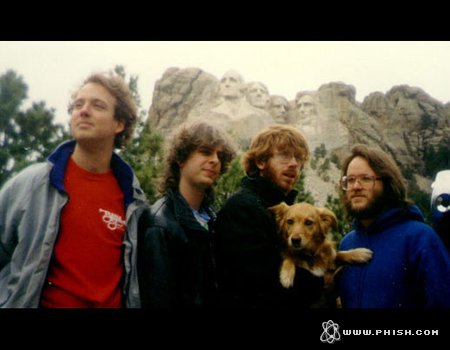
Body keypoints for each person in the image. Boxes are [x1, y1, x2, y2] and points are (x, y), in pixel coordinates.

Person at [0, 72, 148, 308]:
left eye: (97, 105)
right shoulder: (30, 184)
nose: (84, 111)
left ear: (119, 124)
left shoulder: (134, 201)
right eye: (78, 104)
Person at [214, 124, 325, 309]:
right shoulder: (242, 209)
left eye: (298, 157)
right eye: (284, 155)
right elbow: (261, 286)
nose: (294, 164)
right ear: (261, 162)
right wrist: (320, 279)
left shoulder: (280, 208)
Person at [337, 144, 450, 308]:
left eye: (366, 179)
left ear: (388, 184)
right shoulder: (347, 244)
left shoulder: (420, 238)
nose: (356, 186)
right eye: (350, 180)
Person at [137, 122, 236, 308]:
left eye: (220, 156)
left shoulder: (214, 220)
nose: (215, 160)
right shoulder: (159, 223)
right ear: (181, 159)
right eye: (206, 152)